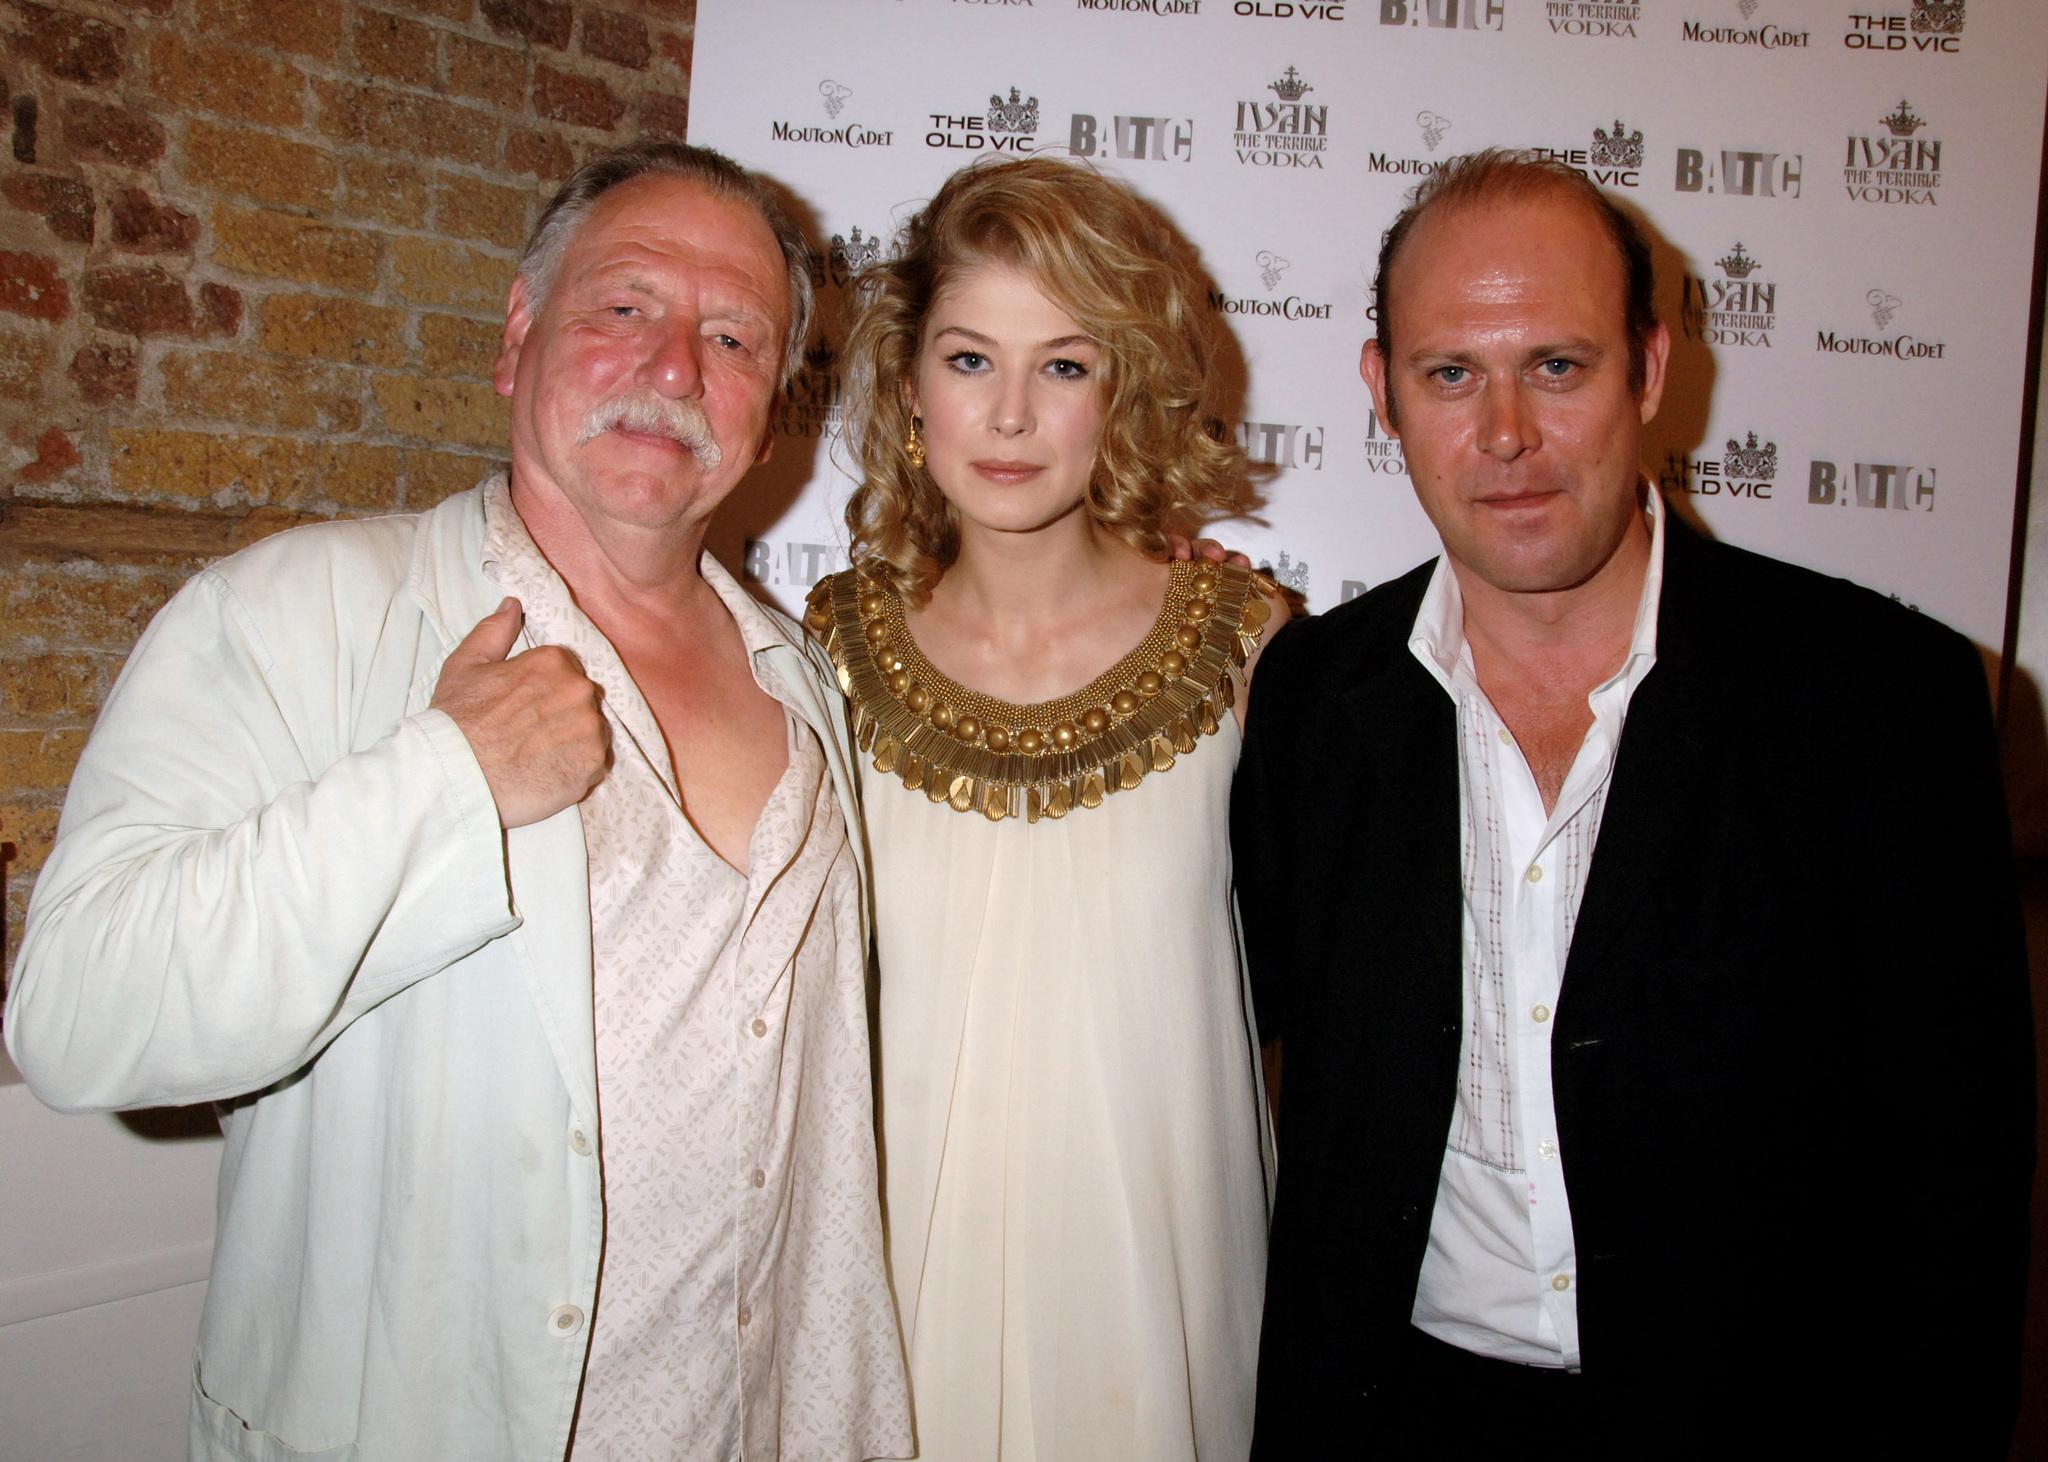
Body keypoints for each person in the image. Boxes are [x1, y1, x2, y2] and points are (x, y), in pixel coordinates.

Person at [5, 142, 912, 1462]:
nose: (674, 367)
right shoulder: (296, 613)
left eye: (732, 337)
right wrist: (442, 779)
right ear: (518, 332)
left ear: (768, 407)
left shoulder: (805, 684)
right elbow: (80, 1018)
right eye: (625, 309)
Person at [1233, 148, 2034, 1455]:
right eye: (1452, 375)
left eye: (1556, 366)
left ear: (1651, 368)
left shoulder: (1883, 702)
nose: (1505, 434)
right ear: (1381, 391)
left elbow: (1961, 1195)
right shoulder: (1311, 701)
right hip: (1397, 1414)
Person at [806, 154, 1284, 1460]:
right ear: (910, 385)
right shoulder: (824, 657)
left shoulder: (1248, 646)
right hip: (900, 1290)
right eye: (971, 361)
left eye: (1064, 365)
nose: (1009, 416)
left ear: (1122, 388)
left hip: (1164, 1283)